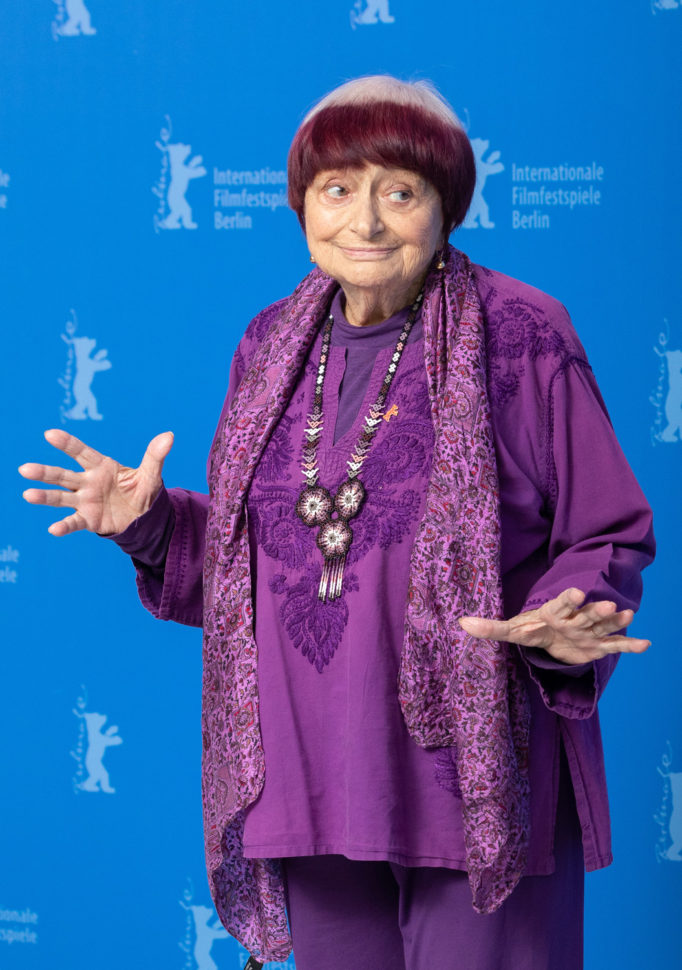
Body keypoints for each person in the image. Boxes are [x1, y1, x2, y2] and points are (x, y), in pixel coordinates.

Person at [19, 76, 655, 970]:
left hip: (471, 784)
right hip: (310, 783)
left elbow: (607, 532)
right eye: (338, 190)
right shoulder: (269, 342)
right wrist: (152, 525)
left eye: (399, 191)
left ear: (446, 209)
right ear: (303, 205)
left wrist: (568, 612)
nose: (365, 221)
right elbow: (267, 568)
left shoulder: (523, 334)